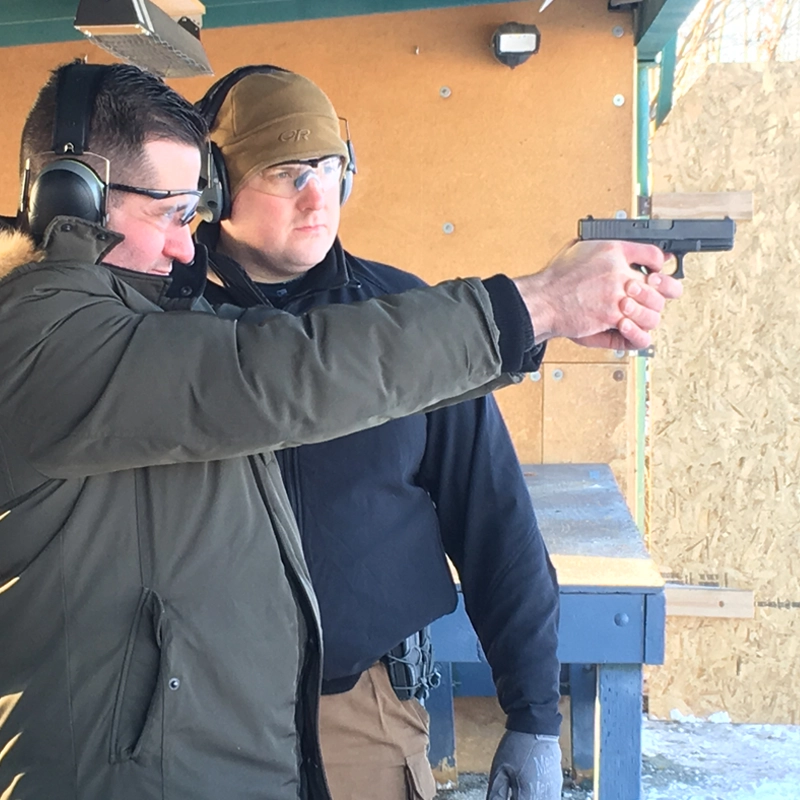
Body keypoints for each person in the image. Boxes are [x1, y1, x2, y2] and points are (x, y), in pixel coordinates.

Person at [0, 62, 675, 800]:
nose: (318, 195)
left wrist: (534, 714)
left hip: (339, 717)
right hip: (163, 743)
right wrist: (536, 306)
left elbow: (495, 520)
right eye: (286, 173)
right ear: (72, 198)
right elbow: (283, 373)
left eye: (330, 169)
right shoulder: (74, 334)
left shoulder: (388, 314)